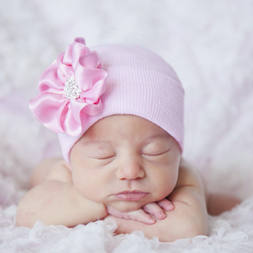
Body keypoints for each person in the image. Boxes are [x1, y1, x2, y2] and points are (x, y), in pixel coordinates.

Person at [16, 38, 240, 242]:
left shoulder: (184, 176)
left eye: (155, 151)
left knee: (226, 204)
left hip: (203, 194)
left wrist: (108, 219)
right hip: (63, 171)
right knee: (43, 172)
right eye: (103, 155)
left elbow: (187, 228)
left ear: (176, 152)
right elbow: (27, 215)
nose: (131, 171)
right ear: (72, 159)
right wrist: (99, 204)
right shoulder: (67, 171)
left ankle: (209, 199)